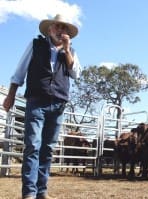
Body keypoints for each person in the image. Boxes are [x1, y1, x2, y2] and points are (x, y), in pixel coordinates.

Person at [2, 14, 81, 199]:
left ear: (68, 34)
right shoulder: (36, 45)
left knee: (48, 148)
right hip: (36, 101)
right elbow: (20, 71)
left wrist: (67, 50)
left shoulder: (72, 52)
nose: (60, 31)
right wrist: (11, 95)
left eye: (64, 28)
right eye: (57, 27)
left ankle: (42, 191)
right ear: (49, 29)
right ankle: (29, 192)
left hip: (59, 104)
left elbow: (75, 74)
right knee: (33, 145)